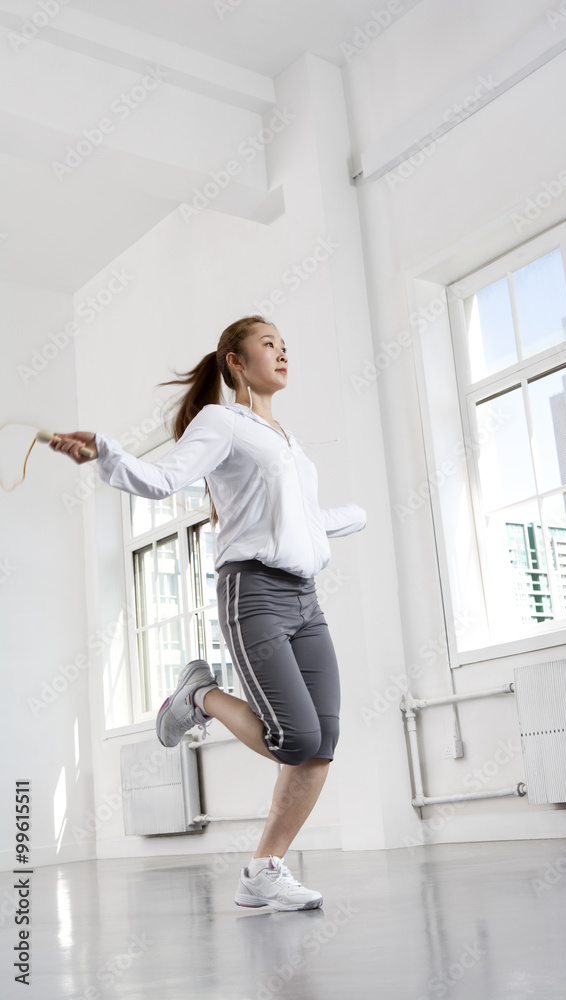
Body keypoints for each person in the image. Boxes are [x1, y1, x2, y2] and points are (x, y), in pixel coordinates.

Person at [49, 314, 366, 912]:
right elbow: (163, 479)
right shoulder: (221, 422)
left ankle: (263, 871)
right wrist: (106, 453)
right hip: (255, 595)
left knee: (321, 743)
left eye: (286, 345)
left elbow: (303, 524)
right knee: (294, 737)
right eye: (268, 344)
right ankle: (198, 698)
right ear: (236, 363)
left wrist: (354, 515)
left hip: (306, 599)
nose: (282, 352)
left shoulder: (289, 444)